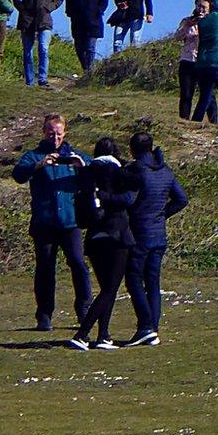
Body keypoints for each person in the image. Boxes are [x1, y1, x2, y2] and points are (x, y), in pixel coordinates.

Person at [11, 113, 92, 331]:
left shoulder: (74, 155)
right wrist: (39, 165)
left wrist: (82, 166)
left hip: (70, 222)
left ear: (64, 133)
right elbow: (18, 174)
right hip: (44, 222)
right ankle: (44, 314)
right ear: (43, 132)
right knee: (45, 269)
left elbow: (98, 172)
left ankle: (84, 309)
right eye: (50, 133)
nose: (54, 138)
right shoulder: (34, 155)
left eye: (58, 134)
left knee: (78, 263)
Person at [69, 137, 138, 351]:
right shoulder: (119, 172)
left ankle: (103, 335)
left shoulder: (87, 173)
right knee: (110, 289)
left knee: (105, 288)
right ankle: (82, 334)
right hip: (117, 236)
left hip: (94, 236)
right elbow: (130, 196)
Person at [123, 132, 188, 346]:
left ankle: (145, 326)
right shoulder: (165, 171)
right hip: (158, 233)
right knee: (152, 282)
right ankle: (153, 329)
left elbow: (127, 198)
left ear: (132, 149)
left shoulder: (136, 171)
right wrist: (162, 213)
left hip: (139, 233)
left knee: (133, 280)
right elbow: (181, 199)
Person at [12, 0, 64, 86]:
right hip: (27, 19)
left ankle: (42, 79)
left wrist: (48, 8)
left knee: (43, 48)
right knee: (27, 52)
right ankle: (29, 81)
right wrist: (22, 9)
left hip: (44, 19)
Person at [174, 0, 218, 122]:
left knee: (208, 94)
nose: (201, 9)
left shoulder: (212, 22)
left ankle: (213, 120)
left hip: (204, 61)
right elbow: (177, 37)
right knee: (186, 93)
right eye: (199, 6)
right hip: (187, 60)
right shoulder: (187, 21)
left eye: (204, 7)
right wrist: (188, 26)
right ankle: (184, 119)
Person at [64, 0, 109, 72]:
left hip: (93, 22)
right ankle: (85, 68)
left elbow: (104, 0)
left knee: (90, 47)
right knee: (79, 48)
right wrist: (70, 12)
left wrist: (99, 11)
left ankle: (88, 71)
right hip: (78, 22)